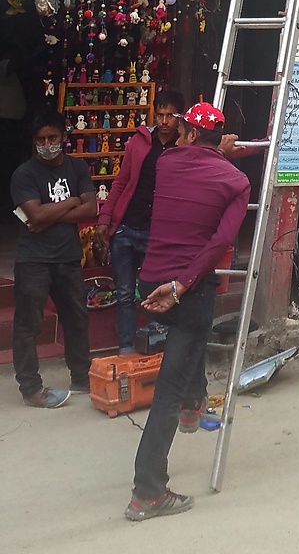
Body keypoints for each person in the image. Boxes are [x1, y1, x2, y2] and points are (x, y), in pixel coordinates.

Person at [125, 102, 250, 522]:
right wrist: (181, 287)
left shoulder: (165, 164)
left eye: (181, 129)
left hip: (150, 285)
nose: (175, 135)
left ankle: (194, 404)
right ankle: (148, 492)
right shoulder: (235, 182)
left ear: (192, 135)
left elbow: (191, 163)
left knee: (185, 345)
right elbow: (219, 244)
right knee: (169, 388)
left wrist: (171, 288)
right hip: (185, 292)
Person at [10, 110, 96, 407]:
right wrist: (72, 201)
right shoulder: (24, 174)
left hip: (69, 258)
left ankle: (82, 378)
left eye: (52, 138)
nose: (47, 144)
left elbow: (92, 210)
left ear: (64, 138)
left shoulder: (77, 168)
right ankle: (31, 388)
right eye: (41, 139)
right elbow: (34, 215)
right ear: (34, 142)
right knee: (28, 324)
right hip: (33, 260)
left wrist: (49, 214)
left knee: (76, 319)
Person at [92, 89, 186, 353]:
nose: (165, 121)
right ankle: (126, 350)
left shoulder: (185, 148)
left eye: (171, 115)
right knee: (123, 295)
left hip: (158, 234)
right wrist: (105, 218)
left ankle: (157, 349)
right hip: (126, 228)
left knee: (155, 293)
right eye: (161, 114)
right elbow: (121, 182)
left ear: (180, 117)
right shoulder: (140, 141)